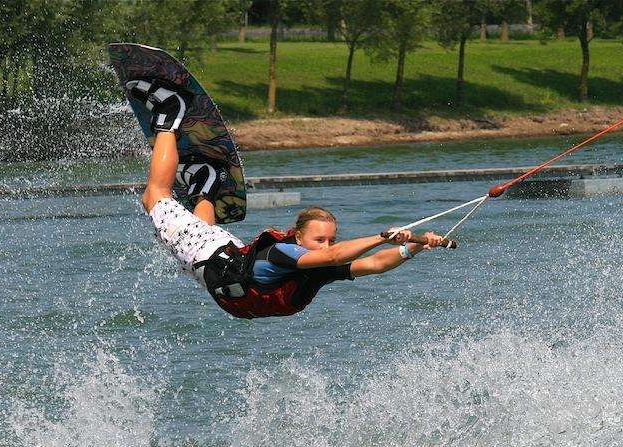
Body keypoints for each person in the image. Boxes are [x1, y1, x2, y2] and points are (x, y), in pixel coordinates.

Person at [131, 80, 447, 319]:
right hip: (212, 261)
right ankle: (170, 111)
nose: (325, 246)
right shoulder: (283, 253)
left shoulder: (317, 269)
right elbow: (335, 256)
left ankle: (206, 185)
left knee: (198, 231)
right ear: (298, 237)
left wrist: (415, 246)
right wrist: (382, 236)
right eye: (319, 239)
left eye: (330, 240)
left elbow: (376, 264)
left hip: (217, 266)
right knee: (154, 197)